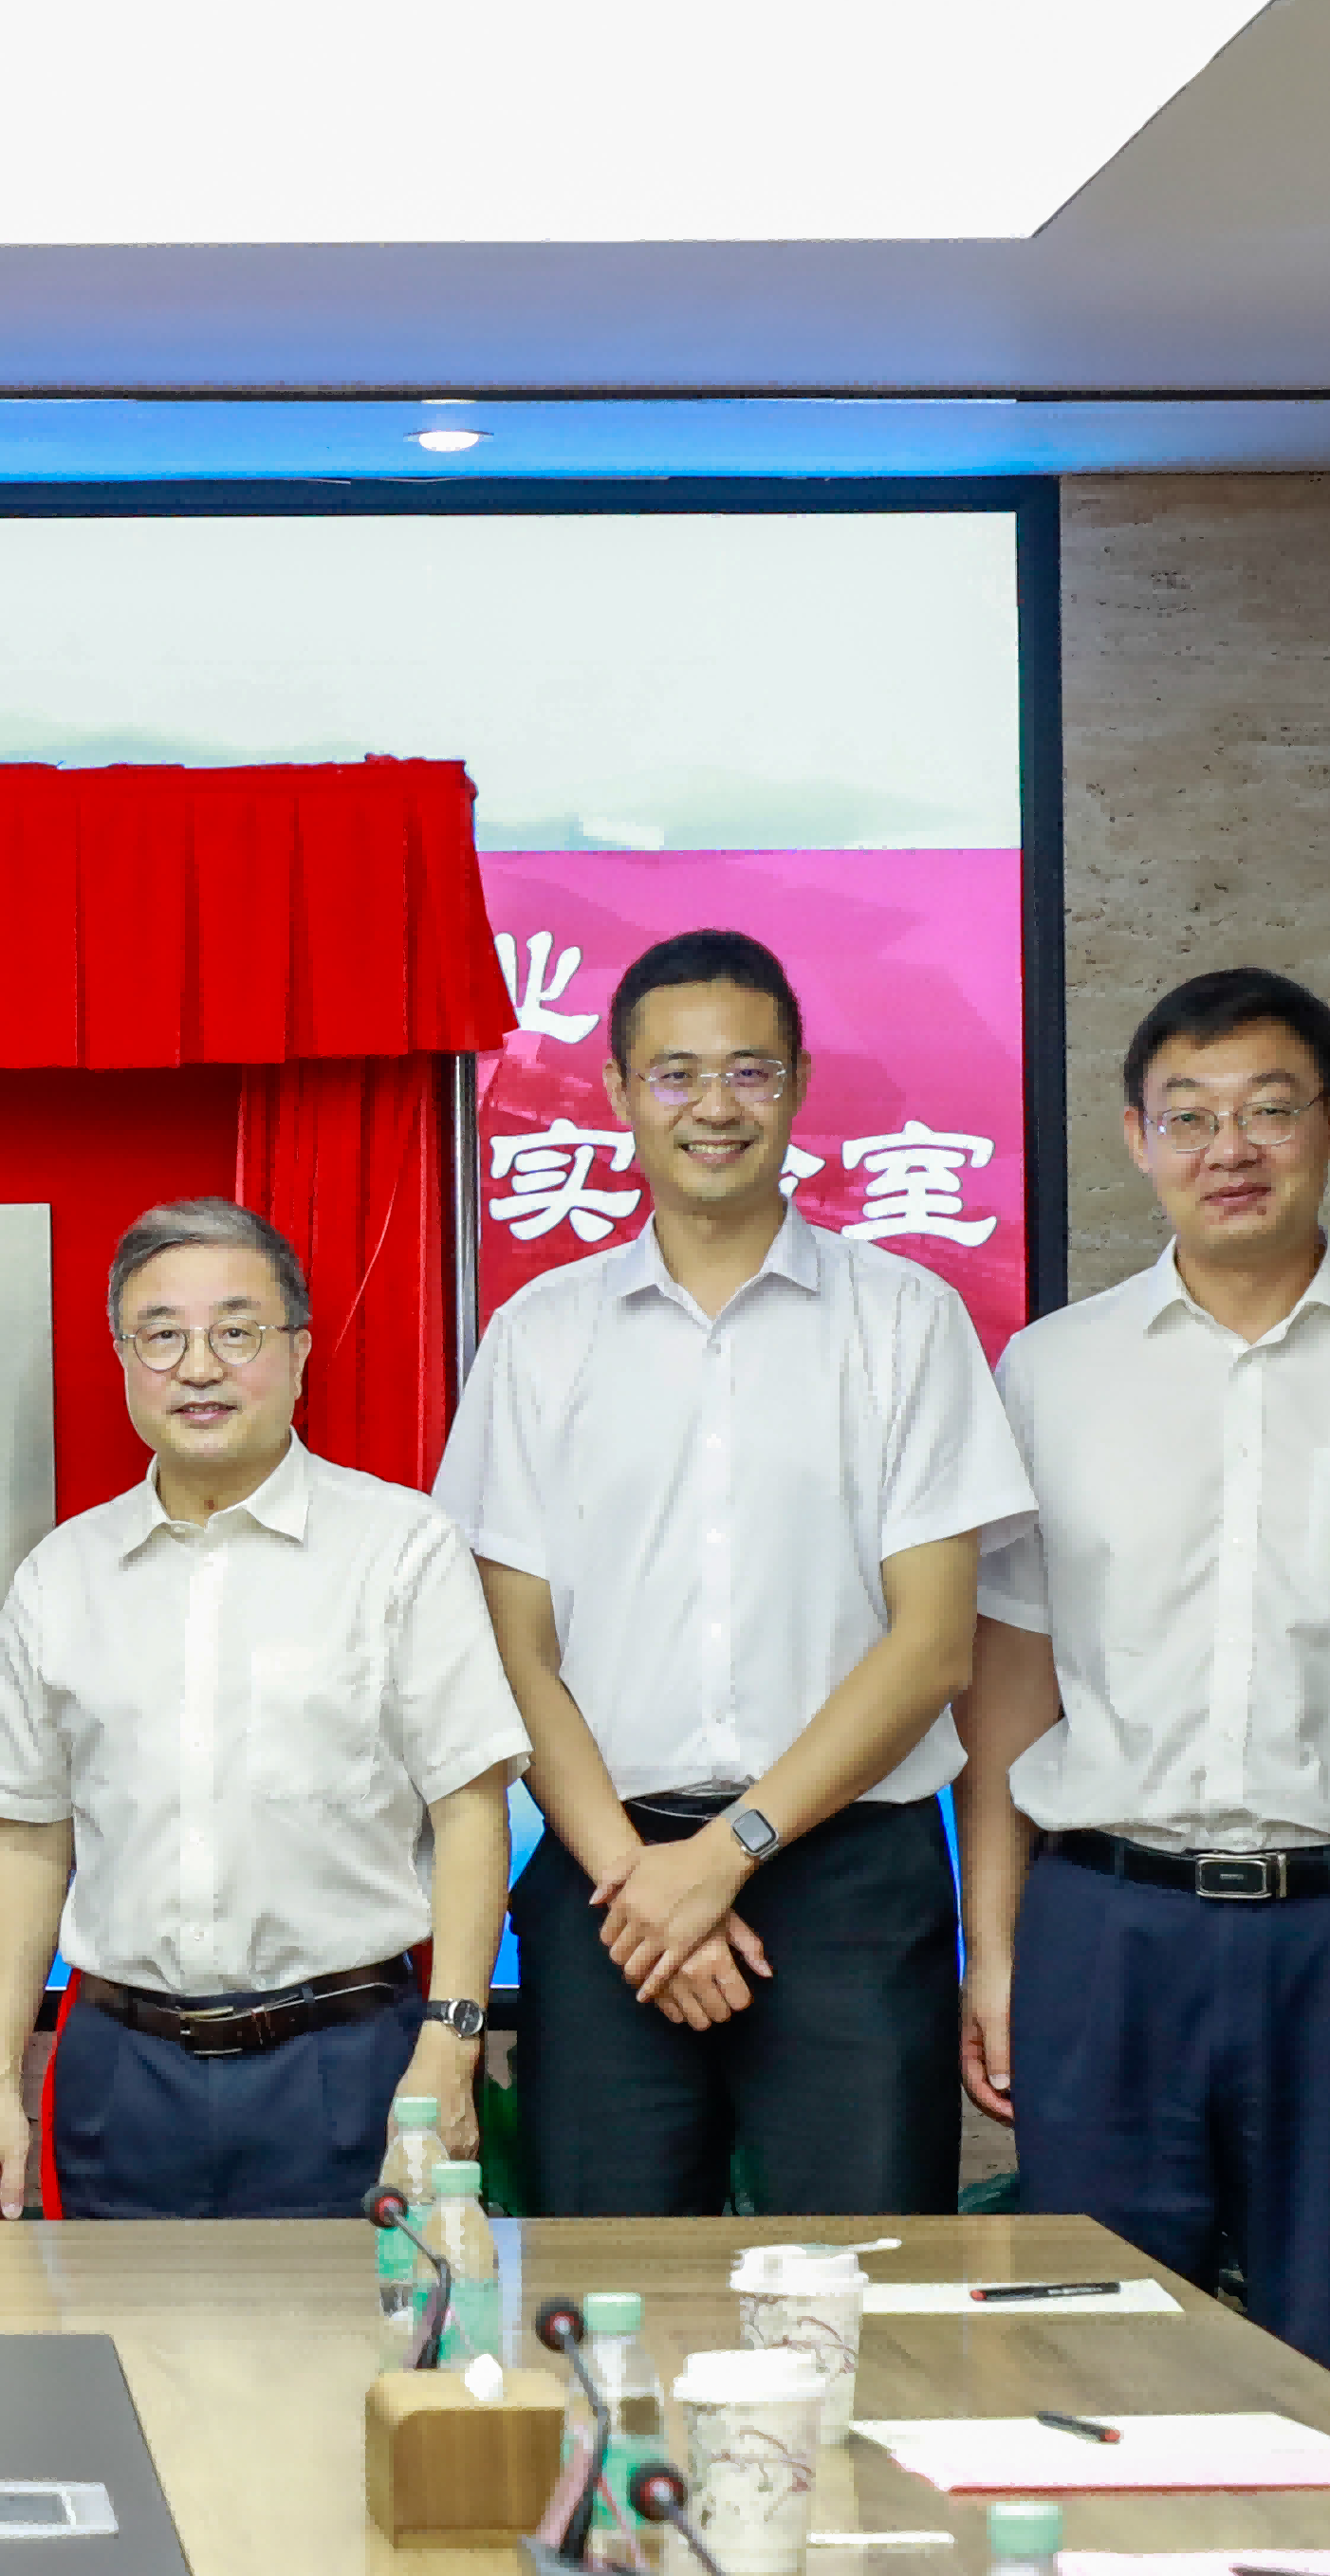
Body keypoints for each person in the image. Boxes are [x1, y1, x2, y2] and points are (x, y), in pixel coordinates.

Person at [958, 967, 1330, 2400]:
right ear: (1137, 1138)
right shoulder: (1053, 1371)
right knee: (1089, 2372)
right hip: (1108, 1925)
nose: (1229, 1148)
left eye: (1269, 1110)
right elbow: (1009, 1673)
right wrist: (995, 1947)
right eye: (1189, 1115)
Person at [438, 930, 1030, 2220]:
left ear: (799, 1084)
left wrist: (730, 1850)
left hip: (847, 1877)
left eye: (750, 1071)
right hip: (611, 1882)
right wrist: (641, 1877)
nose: (715, 1105)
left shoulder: (904, 1319)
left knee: (864, 2284)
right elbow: (509, 1647)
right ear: (618, 1090)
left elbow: (935, 1643)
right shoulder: (540, 1336)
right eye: (677, 1073)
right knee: (610, 2292)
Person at [0, 1196, 524, 2221]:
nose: (199, 1367)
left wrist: (451, 2039)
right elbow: (27, 1839)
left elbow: (469, 1808)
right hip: (124, 2073)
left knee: (357, 2327)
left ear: (299, 1351)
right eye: (162, 1336)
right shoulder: (63, 1575)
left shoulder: (400, 1547)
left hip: (348, 2062)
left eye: (236, 1332)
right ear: (124, 1358)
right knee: (118, 2329)